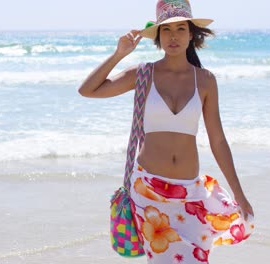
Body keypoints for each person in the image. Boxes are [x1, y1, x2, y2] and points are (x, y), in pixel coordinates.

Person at [78, 0, 254, 262]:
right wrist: (119, 54)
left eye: (181, 29)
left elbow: (218, 140)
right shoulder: (142, 74)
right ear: (158, 36)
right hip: (149, 191)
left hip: (190, 193)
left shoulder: (205, 80)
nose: (173, 36)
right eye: (166, 30)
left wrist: (239, 194)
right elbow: (87, 90)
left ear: (191, 34)